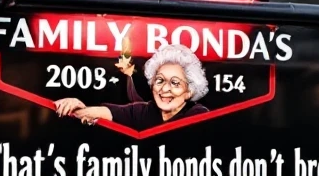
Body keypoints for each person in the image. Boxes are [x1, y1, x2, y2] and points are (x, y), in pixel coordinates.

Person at [55, 44, 210, 130]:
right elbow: (100, 113)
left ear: (189, 91)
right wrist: (76, 106)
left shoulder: (198, 115)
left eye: (175, 83)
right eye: (160, 80)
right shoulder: (142, 111)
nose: (164, 89)